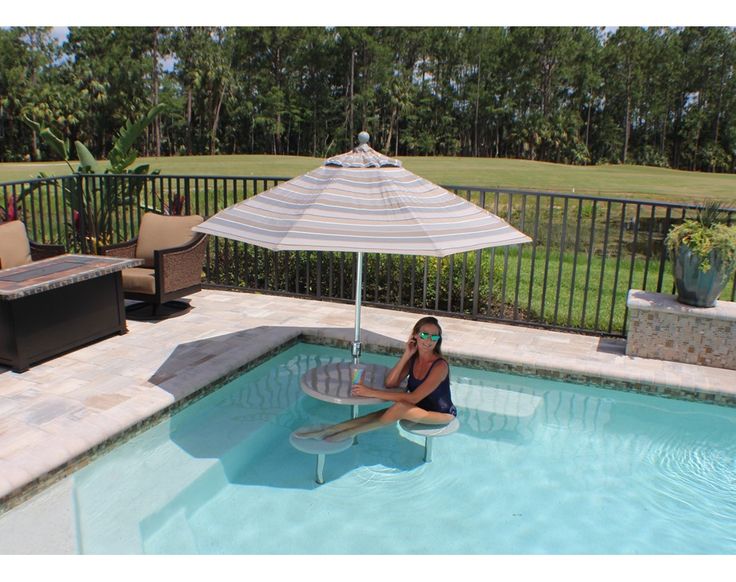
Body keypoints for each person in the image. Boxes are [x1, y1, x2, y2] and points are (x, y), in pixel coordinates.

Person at [297, 316, 456, 442]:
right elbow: (390, 383)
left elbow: (414, 397)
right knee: (381, 413)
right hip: (416, 408)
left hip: (440, 414)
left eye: (434, 337)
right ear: (415, 335)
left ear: (438, 340)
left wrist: (370, 392)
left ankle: (349, 433)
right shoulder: (414, 359)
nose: (428, 341)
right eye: (424, 335)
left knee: (399, 407)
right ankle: (328, 430)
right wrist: (406, 355)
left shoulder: (440, 366)